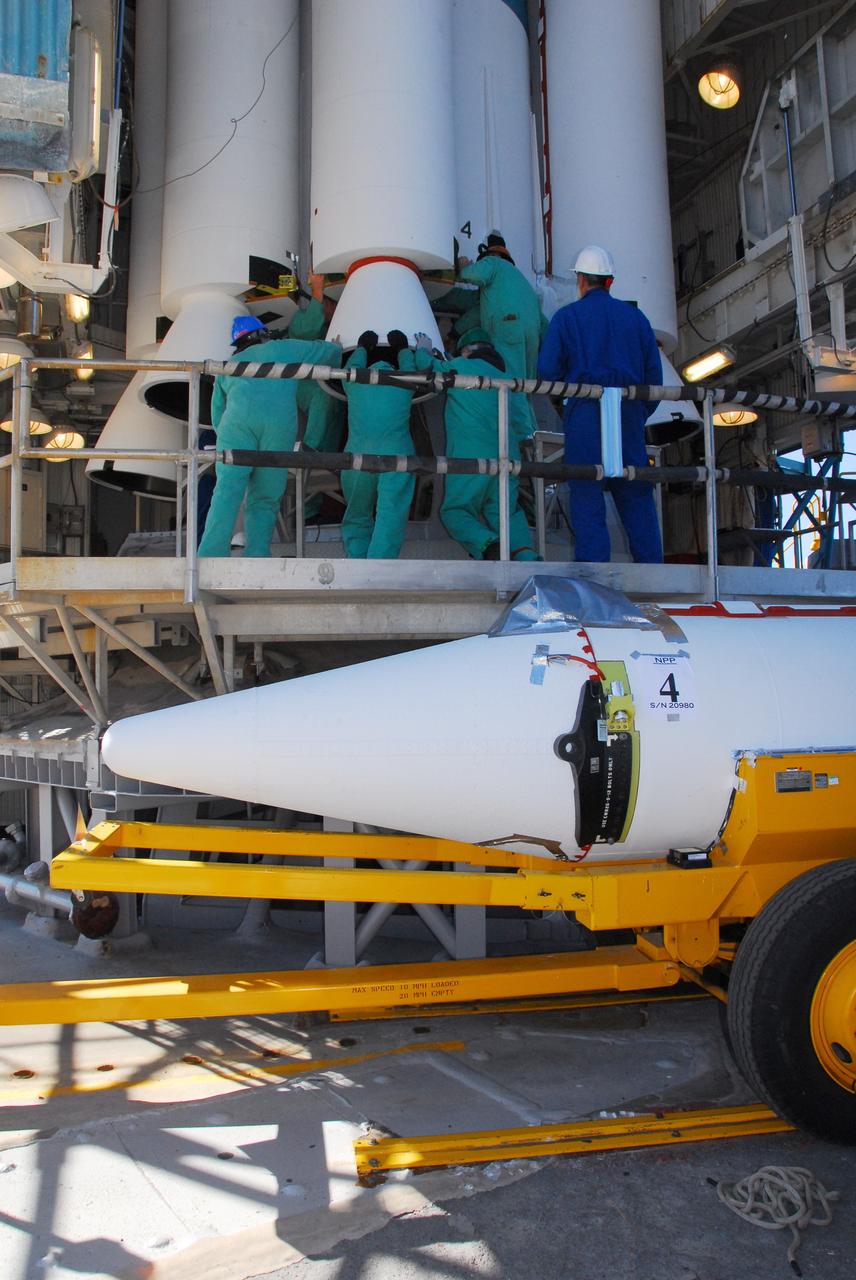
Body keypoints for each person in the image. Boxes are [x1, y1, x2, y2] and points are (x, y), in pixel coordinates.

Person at [537, 245, 664, 564]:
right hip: (628, 412)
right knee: (635, 492)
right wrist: (636, 414)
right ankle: (654, 574)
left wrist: (567, 407)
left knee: (586, 492)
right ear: (610, 281)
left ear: (580, 280)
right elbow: (654, 380)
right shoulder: (637, 319)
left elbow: (547, 372)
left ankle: (594, 575)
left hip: (585, 413)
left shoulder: (566, 318)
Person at [198, 316, 341, 557]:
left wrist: (228, 439)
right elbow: (324, 353)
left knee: (227, 492)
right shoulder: (283, 348)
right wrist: (335, 347)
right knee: (266, 496)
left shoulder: (229, 365)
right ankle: (257, 553)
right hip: (278, 428)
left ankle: (210, 553)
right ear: (263, 333)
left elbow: (217, 414)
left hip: (236, 427)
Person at [413, 327, 537, 560]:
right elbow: (523, 425)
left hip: (470, 458)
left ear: (467, 350)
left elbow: (428, 370)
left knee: (455, 511)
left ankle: (488, 546)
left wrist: (423, 351)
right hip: (508, 457)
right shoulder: (510, 376)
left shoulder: (461, 366)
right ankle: (527, 558)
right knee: (506, 513)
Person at [456, 231, 548, 441]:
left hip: (507, 329)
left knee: (511, 385)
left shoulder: (493, 263)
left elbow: (471, 274)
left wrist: (462, 266)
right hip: (531, 335)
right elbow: (545, 325)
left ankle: (523, 439)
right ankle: (535, 437)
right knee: (525, 389)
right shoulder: (522, 283)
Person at [340, 329, 421, 559]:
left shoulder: (355, 382)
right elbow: (412, 370)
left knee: (357, 513)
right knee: (390, 514)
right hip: (398, 456)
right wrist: (403, 348)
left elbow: (351, 369)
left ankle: (358, 562)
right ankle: (380, 565)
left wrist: (362, 347)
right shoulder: (404, 382)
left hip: (357, 456)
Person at [288, 272, 345, 520]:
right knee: (324, 402)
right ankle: (309, 458)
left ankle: (312, 506)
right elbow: (306, 330)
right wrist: (318, 291)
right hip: (308, 385)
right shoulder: (301, 321)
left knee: (332, 426)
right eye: (333, 304)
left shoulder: (335, 326)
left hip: (331, 389)